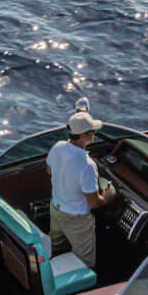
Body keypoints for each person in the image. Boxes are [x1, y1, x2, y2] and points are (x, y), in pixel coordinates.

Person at [45, 109, 118, 269]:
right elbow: (94, 203)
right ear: (84, 135)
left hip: (56, 209)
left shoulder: (58, 147)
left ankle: (54, 269)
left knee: (55, 246)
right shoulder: (87, 165)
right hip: (76, 220)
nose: (94, 133)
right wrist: (108, 196)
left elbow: (49, 170)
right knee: (85, 262)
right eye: (92, 131)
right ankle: (81, 290)